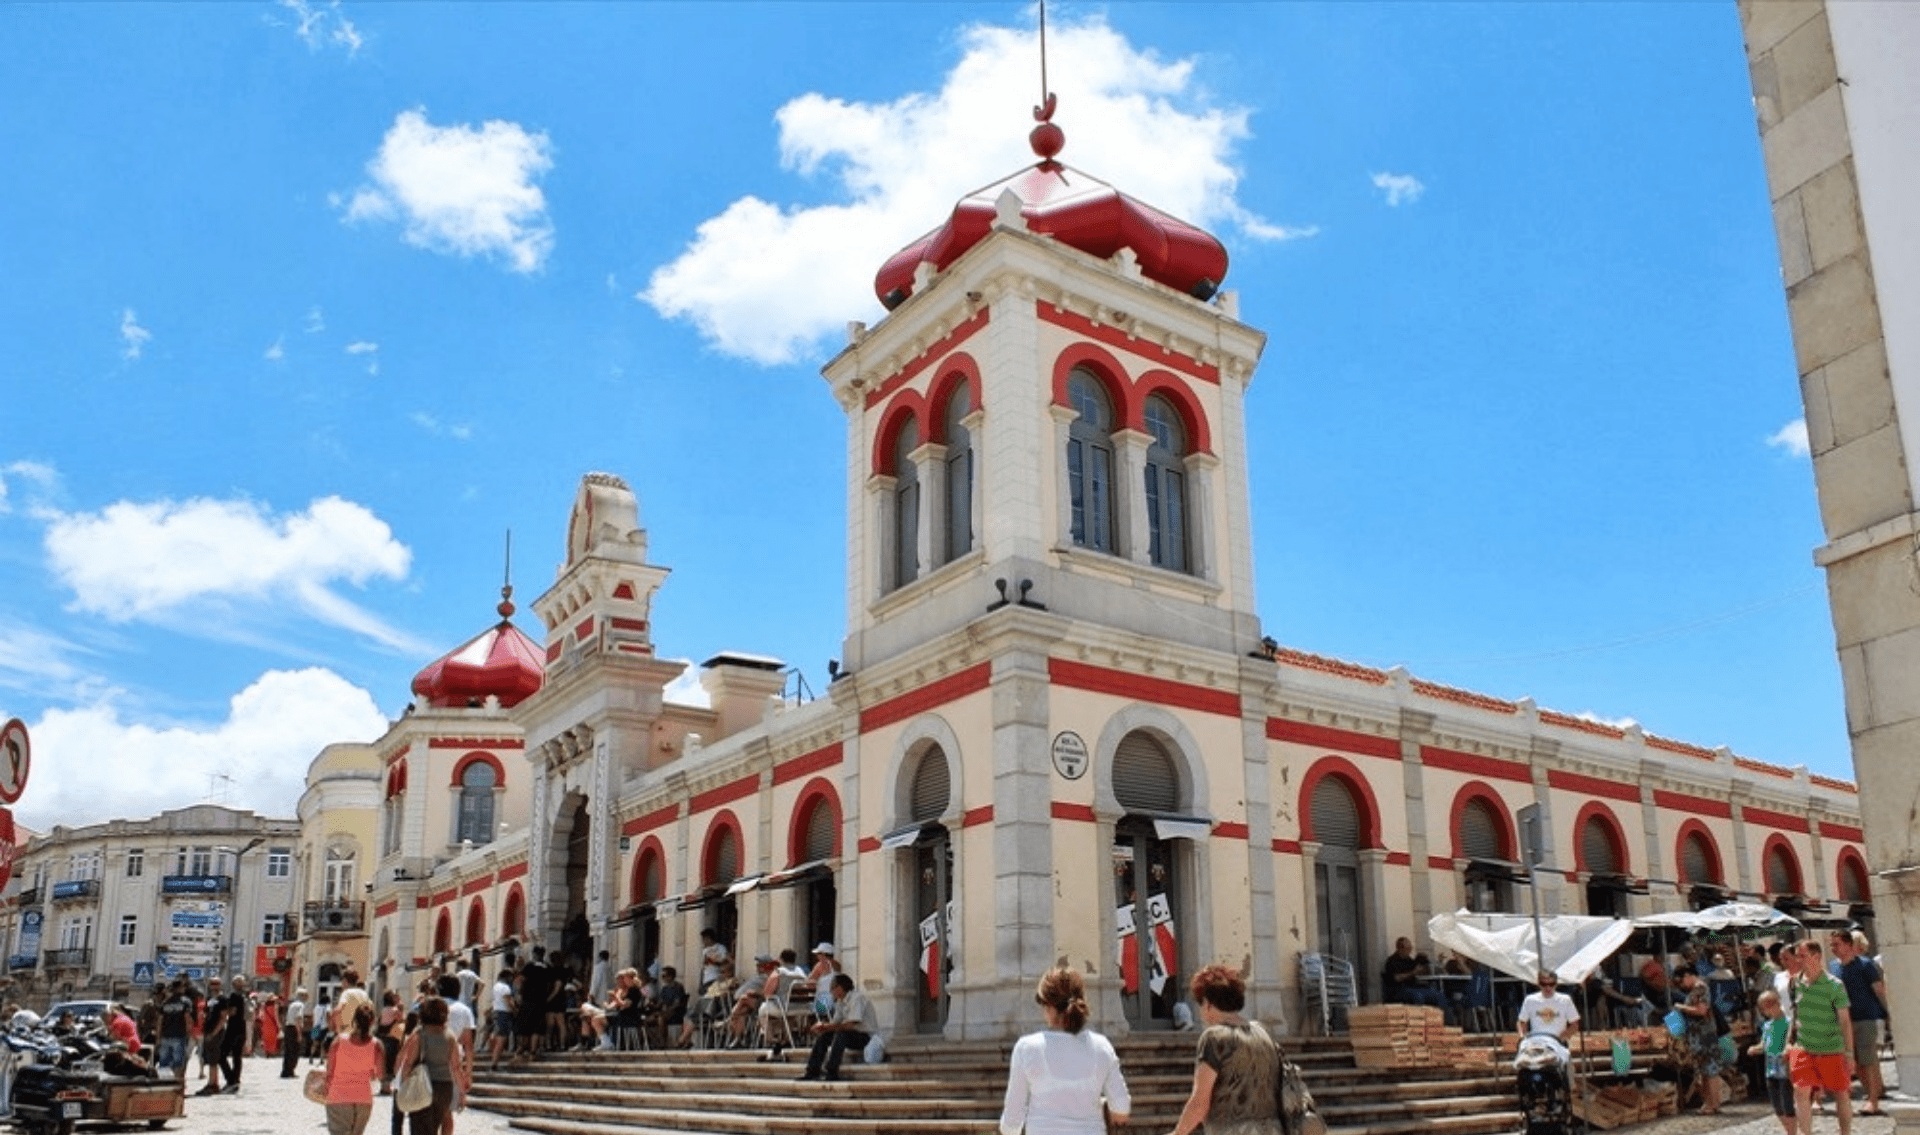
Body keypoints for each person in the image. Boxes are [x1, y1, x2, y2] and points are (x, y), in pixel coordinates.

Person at [998, 966, 1129, 1135]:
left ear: (1048, 1007)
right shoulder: (1102, 1047)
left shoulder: (1026, 1048)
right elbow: (1121, 1109)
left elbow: (1011, 1122)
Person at [1166, 963, 1283, 1135]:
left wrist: (1178, 1133)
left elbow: (1200, 1102)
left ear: (1207, 1004)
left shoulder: (1214, 1037)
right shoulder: (1263, 1033)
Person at [1788, 938, 1854, 1135]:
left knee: (1841, 1093)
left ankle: (1845, 1133)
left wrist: (1849, 1053)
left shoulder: (1835, 985)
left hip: (1831, 1047)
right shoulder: (1795, 982)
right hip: (1803, 1046)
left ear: (1817, 956)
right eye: (1797, 956)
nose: (1798, 960)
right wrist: (1788, 1043)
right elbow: (1794, 1013)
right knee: (1801, 1091)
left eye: (1802, 955)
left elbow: (1845, 1021)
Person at [1829, 930, 1887, 1115]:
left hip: (1865, 1017)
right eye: (1832, 945)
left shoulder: (1865, 964)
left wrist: (1887, 1013)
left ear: (1848, 944)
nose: (1833, 948)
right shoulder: (1833, 967)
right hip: (1844, 1019)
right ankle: (1870, 1094)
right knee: (1855, 1061)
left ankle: (1873, 1100)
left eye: (1836, 944)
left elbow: (1879, 989)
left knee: (1868, 1059)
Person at [395, 997, 468, 1135]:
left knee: (419, 1128)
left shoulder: (420, 1033)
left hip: (423, 1085)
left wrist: (405, 1085)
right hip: (444, 1088)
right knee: (433, 1128)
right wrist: (462, 1093)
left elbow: (408, 1063)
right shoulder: (449, 1035)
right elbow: (456, 1067)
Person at [797, 973, 878, 1083]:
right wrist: (822, 1027)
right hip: (851, 1034)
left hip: (866, 1037)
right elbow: (835, 1023)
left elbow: (850, 1025)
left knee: (841, 1035)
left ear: (844, 986)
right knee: (825, 1036)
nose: (833, 991)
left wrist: (827, 1026)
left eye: (835, 987)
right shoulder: (840, 1001)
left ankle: (832, 1072)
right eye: (832, 989)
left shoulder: (857, 998)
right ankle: (812, 1071)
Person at [324, 1003, 386, 1135]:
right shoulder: (377, 1045)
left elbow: (329, 1070)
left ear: (354, 1019)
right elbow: (380, 1075)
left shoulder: (339, 1041)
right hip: (363, 1098)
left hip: (338, 1096)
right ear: (373, 1021)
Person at [1675, 968, 1725, 1114]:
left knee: (1710, 1070)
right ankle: (1710, 1103)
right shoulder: (1698, 989)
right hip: (1700, 1035)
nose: (1681, 985)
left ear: (1687, 975)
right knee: (1705, 1070)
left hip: (1704, 1035)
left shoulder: (1700, 988)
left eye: (1681, 981)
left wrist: (1681, 1007)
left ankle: (1713, 1104)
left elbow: (1701, 1010)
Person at [1748, 988, 1795, 1135]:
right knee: (1777, 1106)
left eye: (1770, 1005)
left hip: (1784, 1068)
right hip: (1770, 1069)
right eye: (1764, 1007)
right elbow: (1764, 1045)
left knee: (1787, 1104)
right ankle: (1790, 1129)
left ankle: (1792, 1132)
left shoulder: (1788, 1022)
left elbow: (1791, 1042)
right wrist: (1755, 1048)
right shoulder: (1767, 1026)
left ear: (1778, 1003)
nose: (1767, 1010)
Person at [1380, 937, 1451, 1022]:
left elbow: (1421, 971)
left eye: (1411, 948)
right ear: (1400, 948)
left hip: (1414, 988)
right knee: (1418, 996)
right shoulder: (1392, 961)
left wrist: (1425, 963)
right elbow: (1396, 978)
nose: (1410, 951)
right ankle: (1419, 1023)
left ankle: (1447, 1023)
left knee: (1437, 994)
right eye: (1408, 948)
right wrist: (1413, 973)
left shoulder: (1409, 960)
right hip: (1399, 990)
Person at [217, 974, 251, 1094]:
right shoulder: (245, 996)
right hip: (242, 1029)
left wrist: (223, 1014)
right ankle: (235, 1080)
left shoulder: (234, 996)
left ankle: (231, 1080)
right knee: (237, 1057)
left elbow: (232, 1012)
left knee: (221, 1055)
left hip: (233, 1029)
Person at [156, 980, 194, 1081]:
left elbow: (159, 1022)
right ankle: (177, 1087)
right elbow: (187, 1019)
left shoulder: (165, 1003)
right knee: (178, 1064)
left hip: (165, 1036)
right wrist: (190, 1035)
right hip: (179, 1036)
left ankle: (164, 1087)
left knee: (164, 1064)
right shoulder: (185, 1001)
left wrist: (158, 1038)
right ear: (180, 987)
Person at [378, 990, 406, 1095]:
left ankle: (383, 1086)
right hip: (391, 1038)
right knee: (390, 1062)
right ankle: (387, 1087)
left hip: (382, 1037)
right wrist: (400, 1005)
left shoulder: (384, 1009)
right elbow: (402, 1019)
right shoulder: (395, 1010)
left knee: (383, 1062)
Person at [486, 967, 515, 1069]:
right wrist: (515, 1009)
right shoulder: (506, 987)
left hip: (496, 1012)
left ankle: (493, 1057)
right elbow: (508, 1002)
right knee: (502, 1040)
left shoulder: (496, 986)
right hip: (504, 1014)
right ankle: (494, 1064)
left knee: (496, 1036)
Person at [282, 987, 310, 1079]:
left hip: (288, 1027)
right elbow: (298, 1018)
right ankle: (290, 1071)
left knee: (288, 1051)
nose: (307, 997)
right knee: (294, 1051)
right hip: (294, 1028)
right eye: (306, 995)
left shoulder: (292, 1004)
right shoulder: (300, 1005)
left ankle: (285, 1071)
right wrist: (299, 1034)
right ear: (303, 996)